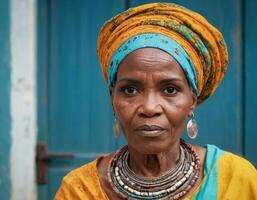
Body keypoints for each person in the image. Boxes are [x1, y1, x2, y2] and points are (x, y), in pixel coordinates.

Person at [55, 2, 257, 200]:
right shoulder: (79, 190)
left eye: (170, 89)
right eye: (130, 90)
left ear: (192, 101)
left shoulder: (235, 180)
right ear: (112, 99)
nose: (149, 108)